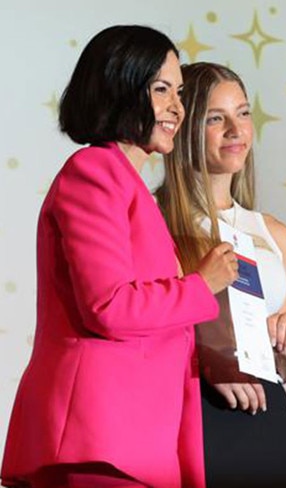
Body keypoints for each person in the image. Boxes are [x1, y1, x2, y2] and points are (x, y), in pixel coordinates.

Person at [0, 26, 239, 488]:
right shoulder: (94, 172)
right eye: (161, 89)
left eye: (180, 92)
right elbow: (108, 306)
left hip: (137, 441)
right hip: (101, 438)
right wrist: (201, 283)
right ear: (121, 88)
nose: (177, 108)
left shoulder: (131, 188)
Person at [155, 62, 286, 488]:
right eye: (215, 118)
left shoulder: (274, 232)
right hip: (198, 416)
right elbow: (146, 333)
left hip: (270, 414)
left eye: (243, 113)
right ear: (185, 128)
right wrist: (209, 361)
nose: (235, 130)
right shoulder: (157, 222)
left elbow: (280, 361)